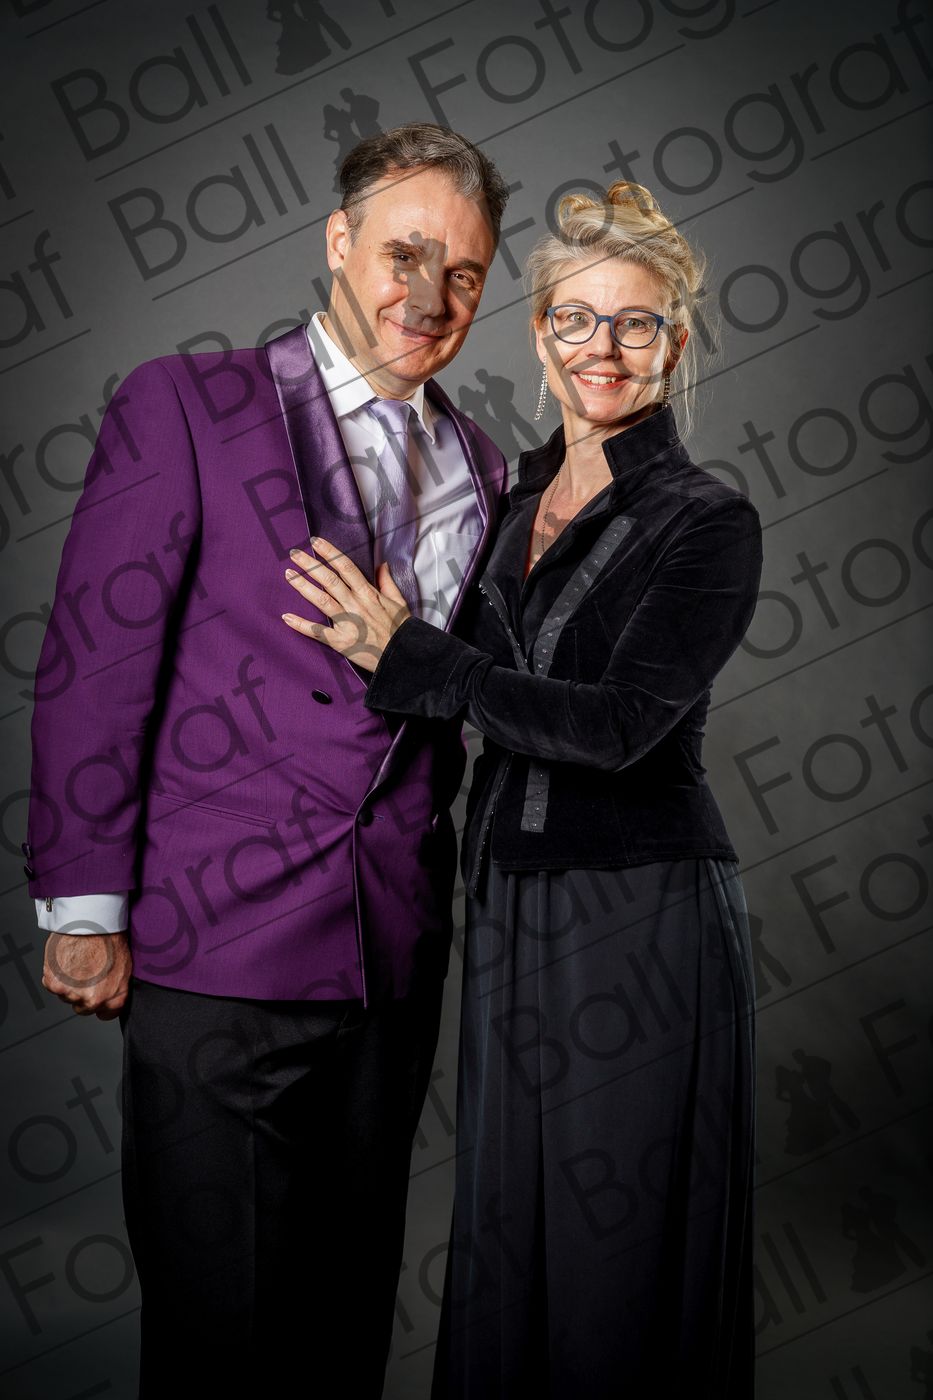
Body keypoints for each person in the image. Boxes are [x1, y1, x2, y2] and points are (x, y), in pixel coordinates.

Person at [25, 124, 510, 1397]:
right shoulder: (187, 404)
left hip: (391, 957)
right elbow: (95, 663)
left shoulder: (483, 462)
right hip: (214, 945)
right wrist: (84, 906)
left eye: (464, 272)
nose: (430, 295)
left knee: (345, 1322)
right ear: (340, 242)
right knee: (220, 1333)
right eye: (404, 254)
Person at [281, 180, 764, 1399]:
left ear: (675, 342)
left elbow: (616, 728)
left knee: (613, 1249)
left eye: (636, 323)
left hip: (637, 907)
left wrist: (416, 656)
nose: (605, 347)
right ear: (542, 332)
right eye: (577, 318)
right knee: (512, 1228)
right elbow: (448, 683)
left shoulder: (709, 520)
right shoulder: (504, 495)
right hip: (504, 895)